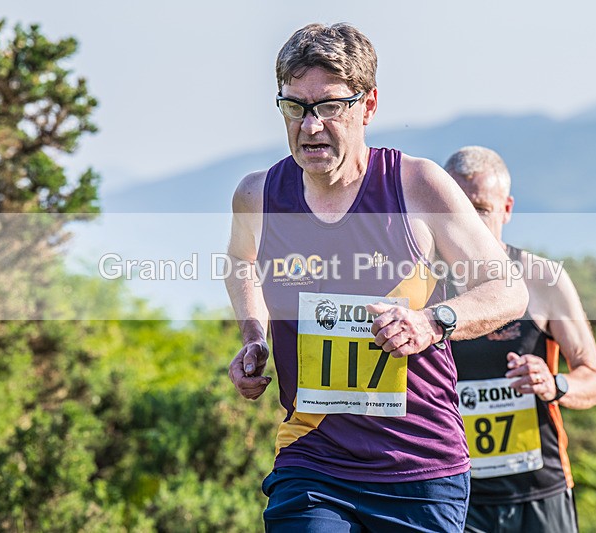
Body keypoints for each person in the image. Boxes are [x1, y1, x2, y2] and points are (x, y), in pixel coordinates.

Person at [225, 24, 528, 532]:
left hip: (418, 465)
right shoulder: (258, 196)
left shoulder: (417, 186)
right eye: (295, 106)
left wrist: (433, 322)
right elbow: (240, 264)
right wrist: (253, 336)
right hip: (312, 458)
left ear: (367, 106)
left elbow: (508, 289)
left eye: (329, 106)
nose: (310, 125)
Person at [444, 146, 596, 533]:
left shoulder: (542, 280)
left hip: (539, 490)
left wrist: (555, 385)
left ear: (507, 209)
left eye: (482, 209)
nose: (472, 223)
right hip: (453, 491)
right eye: (460, 209)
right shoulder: (423, 287)